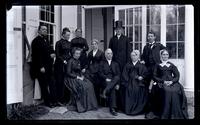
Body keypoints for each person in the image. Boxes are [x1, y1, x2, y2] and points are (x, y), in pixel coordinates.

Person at [152, 49, 188, 119]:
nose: (165, 56)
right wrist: (163, 81)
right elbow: (154, 76)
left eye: (166, 54)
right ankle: (166, 113)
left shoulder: (171, 65)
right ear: (161, 55)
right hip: (161, 82)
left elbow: (177, 76)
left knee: (175, 91)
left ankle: (174, 113)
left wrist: (172, 81)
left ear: (168, 55)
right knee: (166, 91)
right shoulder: (157, 65)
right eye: (163, 54)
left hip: (171, 82)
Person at [64, 47, 98, 113]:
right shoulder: (70, 61)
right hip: (71, 78)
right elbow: (68, 73)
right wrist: (77, 77)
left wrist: (82, 76)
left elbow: (79, 70)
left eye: (79, 54)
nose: (78, 55)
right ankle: (83, 105)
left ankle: (90, 105)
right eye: (76, 53)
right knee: (84, 86)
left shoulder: (78, 61)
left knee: (90, 84)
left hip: (78, 76)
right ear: (73, 54)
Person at [140, 31, 165, 118]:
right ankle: (148, 108)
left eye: (151, 36)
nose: (150, 37)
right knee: (148, 88)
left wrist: (161, 61)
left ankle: (157, 109)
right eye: (148, 36)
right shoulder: (146, 47)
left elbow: (166, 53)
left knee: (156, 87)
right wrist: (142, 60)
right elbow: (143, 56)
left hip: (157, 70)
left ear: (154, 37)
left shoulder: (159, 46)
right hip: (148, 70)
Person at [31, 24, 57, 107]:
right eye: (43, 29)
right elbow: (36, 56)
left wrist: (53, 53)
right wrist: (41, 67)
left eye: (46, 29)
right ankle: (48, 102)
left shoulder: (47, 40)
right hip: (41, 67)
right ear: (39, 31)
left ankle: (54, 101)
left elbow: (50, 49)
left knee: (52, 83)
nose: (45, 31)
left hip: (49, 66)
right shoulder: (35, 41)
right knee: (44, 86)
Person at [108, 20, 132, 111]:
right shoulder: (112, 39)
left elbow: (129, 52)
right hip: (114, 64)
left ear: (122, 30)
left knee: (122, 83)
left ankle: (123, 105)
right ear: (115, 30)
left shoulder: (126, 39)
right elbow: (110, 51)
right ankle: (115, 105)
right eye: (117, 29)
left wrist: (127, 64)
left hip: (123, 65)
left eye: (120, 29)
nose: (118, 30)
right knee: (115, 83)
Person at [121, 50, 149, 115]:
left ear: (137, 56)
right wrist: (127, 81)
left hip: (139, 82)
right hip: (129, 81)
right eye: (132, 56)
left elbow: (145, 74)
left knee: (138, 89)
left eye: (134, 55)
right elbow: (124, 74)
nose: (133, 57)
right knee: (129, 89)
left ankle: (137, 109)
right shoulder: (127, 65)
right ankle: (129, 109)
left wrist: (142, 77)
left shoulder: (141, 65)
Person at [99, 49, 121, 116]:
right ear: (105, 55)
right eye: (108, 53)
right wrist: (106, 78)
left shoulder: (116, 63)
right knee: (113, 88)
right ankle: (112, 109)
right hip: (105, 81)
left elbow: (118, 74)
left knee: (116, 78)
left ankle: (105, 90)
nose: (110, 55)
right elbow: (100, 73)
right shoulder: (102, 63)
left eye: (111, 53)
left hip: (114, 81)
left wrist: (118, 84)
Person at [54, 27, 71, 105]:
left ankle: (66, 99)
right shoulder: (58, 43)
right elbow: (57, 55)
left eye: (69, 35)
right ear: (63, 34)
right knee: (59, 82)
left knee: (66, 82)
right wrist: (63, 61)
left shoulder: (69, 43)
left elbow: (70, 54)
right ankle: (58, 100)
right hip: (60, 65)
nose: (68, 36)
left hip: (67, 64)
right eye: (67, 35)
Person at [85, 39, 104, 105]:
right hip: (91, 70)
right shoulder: (90, 53)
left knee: (97, 87)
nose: (93, 45)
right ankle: (92, 102)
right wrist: (85, 68)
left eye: (95, 44)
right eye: (92, 44)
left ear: (97, 44)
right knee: (92, 86)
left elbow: (102, 63)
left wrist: (100, 69)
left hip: (98, 71)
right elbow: (87, 62)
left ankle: (98, 102)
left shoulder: (101, 53)